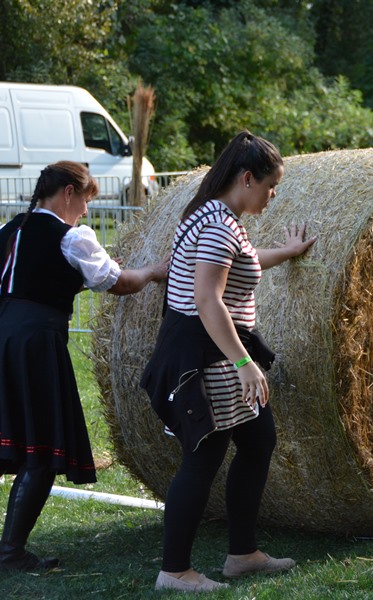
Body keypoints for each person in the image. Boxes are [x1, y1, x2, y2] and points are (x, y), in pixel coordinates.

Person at [141, 131, 316, 592]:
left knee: (258, 441)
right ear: (246, 178)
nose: (273, 195)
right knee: (203, 458)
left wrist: (287, 252)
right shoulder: (219, 226)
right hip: (209, 357)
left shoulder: (212, 216)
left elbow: (243, 260)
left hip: (213, 350)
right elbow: (207, 299)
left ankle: (243, 554)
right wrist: (244, 364)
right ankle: (174, 571)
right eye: (270, 186)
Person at [0, 161, 167, 571]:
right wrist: (151, 271)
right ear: (69, 193)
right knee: (40, 447)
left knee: (10, 435)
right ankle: (10, 552)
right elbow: (120, 283)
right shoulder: (72, 236)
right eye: (86, 200)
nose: (87, 211)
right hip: (36, 343)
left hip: (4, 336)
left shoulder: (11, 229)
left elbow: (29, 283)